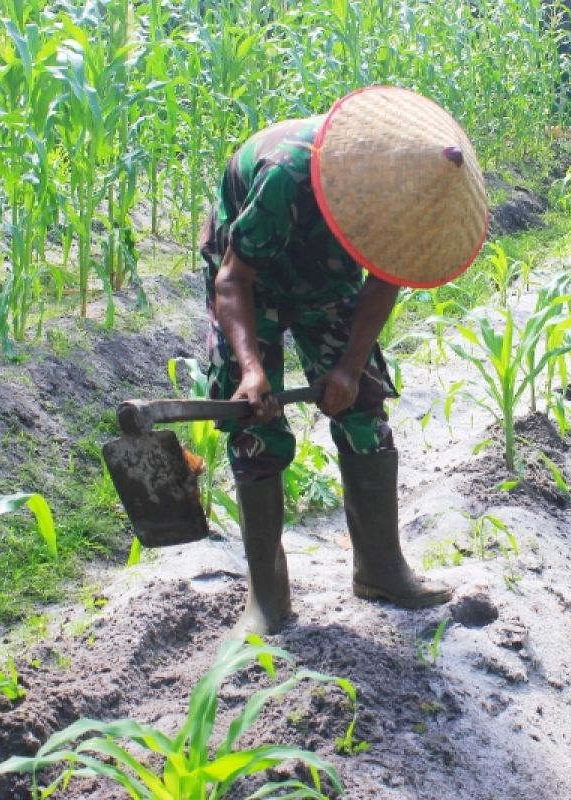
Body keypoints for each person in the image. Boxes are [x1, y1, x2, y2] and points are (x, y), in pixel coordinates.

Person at [198, 86, 488, 636]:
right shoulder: (288, 175)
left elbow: (384, 280)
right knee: (253, 422)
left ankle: (380, 568)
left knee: (366, 410)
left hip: (325, 273)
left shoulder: (406, 197)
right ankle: (268, 597)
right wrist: (254, 369)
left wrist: (350, 369)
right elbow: (233, 280)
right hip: (249, 272)